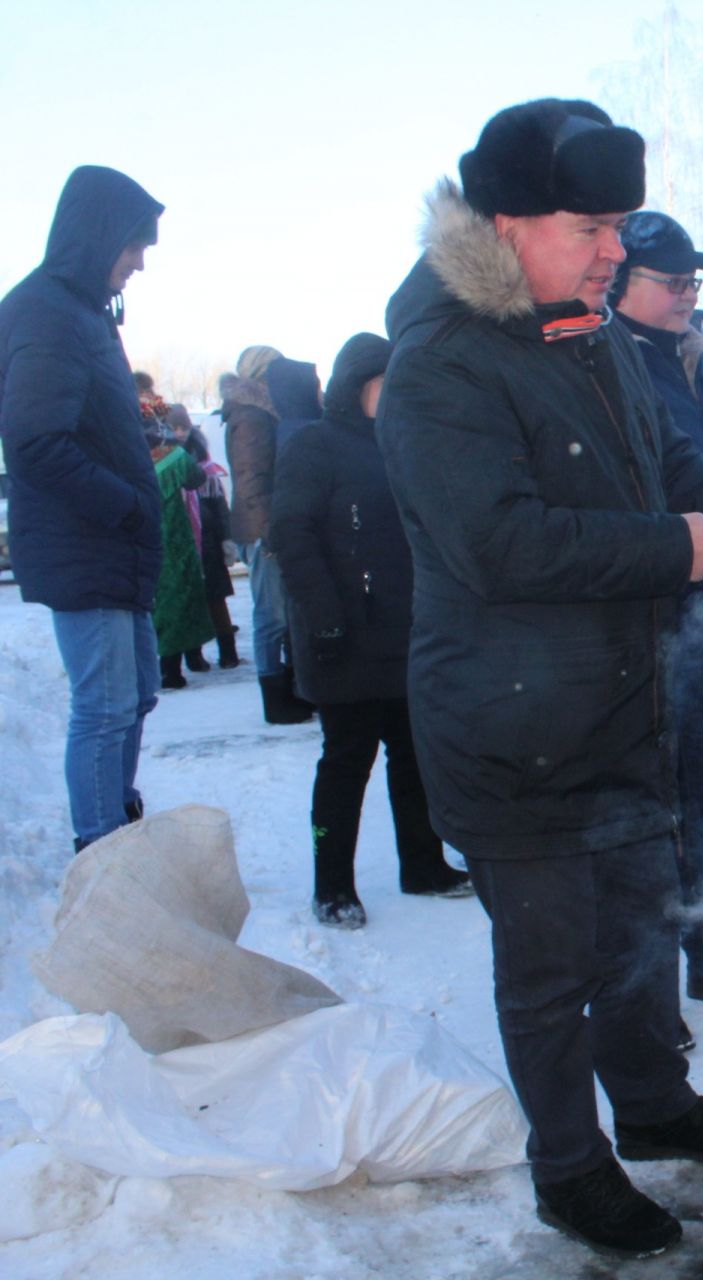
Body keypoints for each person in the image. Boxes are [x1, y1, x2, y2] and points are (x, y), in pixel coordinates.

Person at [376, 98, 703, 1258]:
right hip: (512, 723)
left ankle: (654, 1107)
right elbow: (498, 543)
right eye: (593, 226)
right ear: (507, 226)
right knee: (550, 972)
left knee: (647, 932)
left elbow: (668, 454)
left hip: (621, 702)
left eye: (621, 227)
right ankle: (570, 1168)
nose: (617, 250)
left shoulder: (587, 329)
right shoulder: (441, 362)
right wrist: (676, 547)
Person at [271, 332, 472, 929]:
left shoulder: (406, 444)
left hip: (407, 631)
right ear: (356, 385)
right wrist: (324, 619)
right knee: (346, 760)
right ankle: (331, 886)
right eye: (387, 384)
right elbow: (292, 535)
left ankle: (423, 864)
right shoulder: (315, 446)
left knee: (414, 758)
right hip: (346, 637)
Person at [609, 211, 703, 1006]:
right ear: (619, 282)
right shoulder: (610, 366)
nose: (687, 295)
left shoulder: (699, 366)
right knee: (655, 813)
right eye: (672, 281)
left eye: (692, 282)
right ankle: (647, 991)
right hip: (658, 621)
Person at [0, 165, 165, 851]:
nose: (138, 264)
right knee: (102, 709)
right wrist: (124, 504)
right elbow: (36, 439)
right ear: (100, 238)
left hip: (111, 547)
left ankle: (117, 824)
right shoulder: (46, 311)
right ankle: (101, 857)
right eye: (134, 247)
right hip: (87, 542)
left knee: (138, 695)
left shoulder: (81, 311)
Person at [218, 344, 314, 724]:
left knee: (281, 612)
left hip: (264, 526)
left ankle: (288, 690)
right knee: (272, 614)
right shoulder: (253, 415)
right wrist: (270, 532)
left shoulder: (258, 413)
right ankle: (275, 697)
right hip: (263, 529)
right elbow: (252, 478)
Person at [165, 402, 243, 671]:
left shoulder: (202, 459)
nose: (180, 433)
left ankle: (228, 652)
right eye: (174, 427)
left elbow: (218, 502)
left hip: (207, 540)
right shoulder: (162, 458)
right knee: (186, 602)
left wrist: (226, 538)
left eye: (183, 427)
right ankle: (193, 655)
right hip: (178, 540)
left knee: (215, 600)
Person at [147, 409, 215, 689]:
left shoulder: (121, 459)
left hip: (142, 539)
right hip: (176, 537)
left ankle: (165, 667)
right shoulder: (173, 458)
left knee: (157, 604)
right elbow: (197, 478)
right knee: (184, 596)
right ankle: (182, 663)